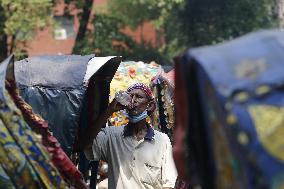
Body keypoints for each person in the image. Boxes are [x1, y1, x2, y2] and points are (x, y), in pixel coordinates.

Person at [81, 83, 177, 189]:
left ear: (150, 106)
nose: (133, 100)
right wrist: (109, 110)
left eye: (139, 97)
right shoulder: (111, 135)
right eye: (130, 96)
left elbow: (169, 184)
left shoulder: (162, 141)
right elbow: (85, 143)